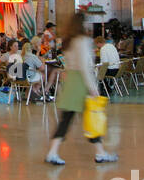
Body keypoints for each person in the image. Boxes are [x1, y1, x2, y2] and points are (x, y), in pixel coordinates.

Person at [45, 12, 117, 165]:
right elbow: (84, 66)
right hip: (80, 81)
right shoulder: (83, 40)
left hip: (71, 79)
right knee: (92, 117)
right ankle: (100, 153)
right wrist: (93, 88)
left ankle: (54, 152)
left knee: (69, 118)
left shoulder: (68, 41)